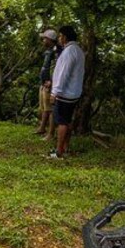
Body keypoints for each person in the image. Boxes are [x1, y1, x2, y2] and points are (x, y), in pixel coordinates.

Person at [49, 25, 85, 159]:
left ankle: (59, 151)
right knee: (68, 121)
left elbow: (63, 74)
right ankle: (65, 147)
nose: (58, 38)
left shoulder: (69, 52)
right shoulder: (78, 50)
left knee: (62, 122)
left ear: (64, 37)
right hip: (74, 92)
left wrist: (55, 92)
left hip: (65, 93)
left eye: (59, 36)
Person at [35, 29, 61, 140]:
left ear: (50, 39)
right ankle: (42, 128)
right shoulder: (49, 51)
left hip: (49, 84)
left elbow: (56, 68)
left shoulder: (56, 51)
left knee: (50, 109)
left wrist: (51, 81)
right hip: (44, 83)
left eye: (44, 38)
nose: (43, 40)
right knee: (43, 107)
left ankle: (50, 133)